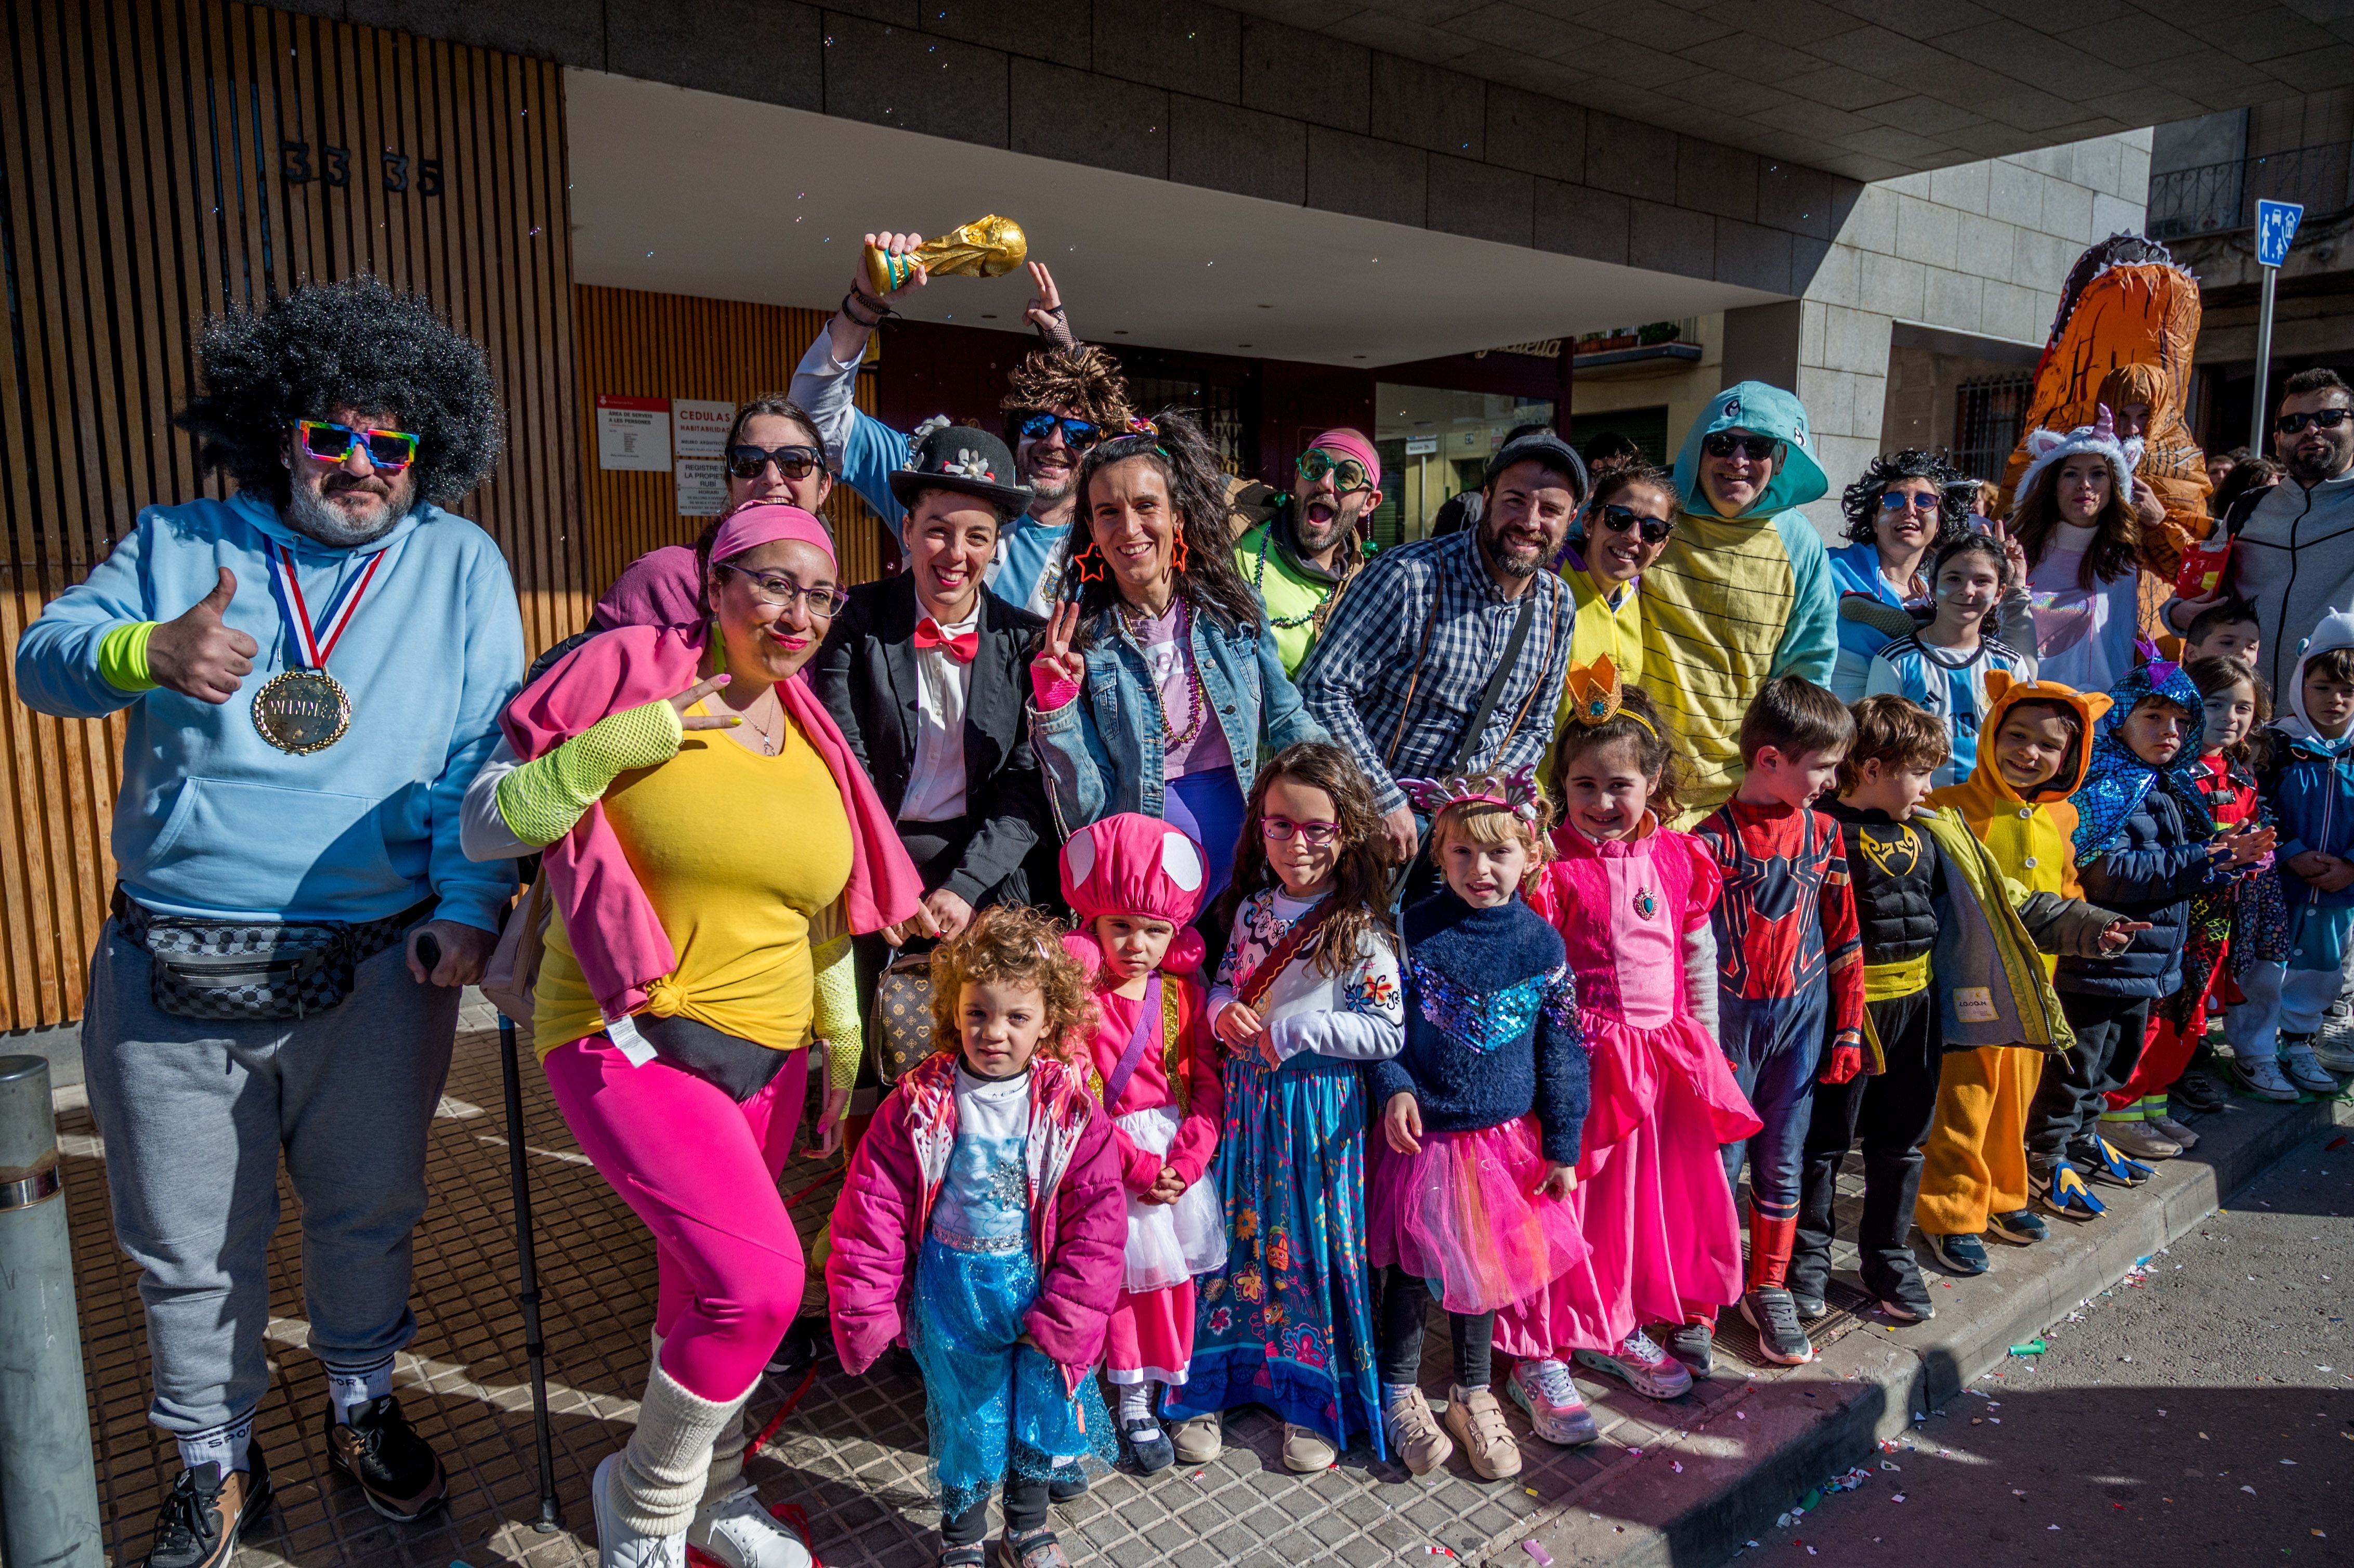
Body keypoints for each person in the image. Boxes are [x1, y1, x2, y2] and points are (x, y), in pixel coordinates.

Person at [12, 277, 519, 1568]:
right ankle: (207, 1455)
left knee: (371, 1206)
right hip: (172, 962)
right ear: (278, 427)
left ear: (429, 452)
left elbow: (483, 753)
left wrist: (468, 913)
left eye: (392, 441)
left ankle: (360, 1402)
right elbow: (44, 657)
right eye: (334, 433)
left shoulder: (459, 559)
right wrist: (145, 652)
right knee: (188, 1245)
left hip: (378, 967)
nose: (362, 464)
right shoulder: (179, 541)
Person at [486, 502, 923, 1568]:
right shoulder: (637, 684)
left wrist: (841, 1039)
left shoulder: (810, 733)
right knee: (761, 1283)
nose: (797, 611)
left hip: (771, 1060)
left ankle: (712, 1494)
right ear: (715, 586)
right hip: (626, 1031)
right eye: (772, 583)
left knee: (701, 1286)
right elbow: (490, 821)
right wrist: (610, 747)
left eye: (818, 592)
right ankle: (640, 1507)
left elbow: (819, 910)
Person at [1796, 698, 2134, 1323]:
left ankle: (1887, 1258)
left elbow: (2006, 900)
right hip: (1839, 1019)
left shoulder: (1936, 831)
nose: (1930, 787)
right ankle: (1806, 1266)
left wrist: (2089, 926)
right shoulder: (1812, 831)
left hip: (1916, 1015)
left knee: (1901, 1145)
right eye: (1920, 772)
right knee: (1822, 1147)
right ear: (1872, 768)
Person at [826, 906, 1124, 1568]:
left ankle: (1028, 1528)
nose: (995, 1032)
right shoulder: (918, 1101)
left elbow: (1097, 1221)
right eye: (978, 1013)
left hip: (1037, 1285)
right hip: (953, 1289)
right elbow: (872, 1205)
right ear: (953, 1012)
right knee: (968, 1418)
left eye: (1017, 1017)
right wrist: (868, 1301)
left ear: (1049, 1020)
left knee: (1036, 1409)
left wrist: (1072, 1308)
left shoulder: (1071, 1108)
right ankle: (961, 1539)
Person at [1503, 665, 1757, 1426]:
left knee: (1630, 1209)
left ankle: (1608, 1323)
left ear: (1654, 783)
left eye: (1620, 785)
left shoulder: (1681, 860)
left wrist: (1705, 1046)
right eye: (1584, 786)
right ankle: (1536, 1351)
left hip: (1662, 1063)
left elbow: (1696, 954)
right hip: (1581, 1067)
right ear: (1562, 788)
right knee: (1565, 1202)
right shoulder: (1546, 865)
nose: (1603, 803)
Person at [1166, 742, 1405, 1472]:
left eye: (1315, 829)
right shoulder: (1249, 911)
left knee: (1310, 1246)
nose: (1295, 844)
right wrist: (1221, 1010)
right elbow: (1227, 983)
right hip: (1248, 1108)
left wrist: (1299, 1028)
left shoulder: (1359, 928)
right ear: (1258, 828)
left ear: (1347, 831)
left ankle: (1311, 1399)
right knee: (1235, 1242)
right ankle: (1213, 1381)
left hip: (1318, 1116)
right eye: (1278, 826)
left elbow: (1387, 1027)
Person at [1368, 773, 1587, 1481]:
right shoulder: (1413, 931)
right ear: (1438, 851)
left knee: (1483, 1273)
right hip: (1421, 1140)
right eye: (1461, 853)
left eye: (1498, 855)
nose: (1479, 870)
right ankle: (1399, 1392)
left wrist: (1562, 1142)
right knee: (1407, 1272)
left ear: (1532, 855)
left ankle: (1472, 1393)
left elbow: (1562, 1048)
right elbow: (1385, 1031)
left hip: (1501, 1145)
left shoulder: (1543, 947)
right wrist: (1395, 1087)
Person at [1028, 410, 1326, 903]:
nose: (1129, 528)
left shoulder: (1233, 612)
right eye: (1108, 512)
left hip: (1252, 863)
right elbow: (1087, 813)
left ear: (1177, 517)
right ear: (1091, 528)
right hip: (1147, 888)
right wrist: (1057, 711)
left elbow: (1288, 718)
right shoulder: (1080, 641)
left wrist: (1350, 796)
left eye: (1147, 506)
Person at [2031, 658, 2273, 1216]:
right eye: (2153, 715)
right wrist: (2203, 857)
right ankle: (2046, 1159)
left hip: (2146, 962)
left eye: (2182, 721)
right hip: (2099, 960)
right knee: (2074, 1071)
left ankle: (2083, 1140)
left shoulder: (2166, 786)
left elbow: (2178, 863)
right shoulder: (2106, 783)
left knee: (2110, 1066)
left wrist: (2227, 856)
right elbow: (2105, 872)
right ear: (2119, 718)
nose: (2170, 731)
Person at [1298, 429, 1584, 880]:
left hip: (1472, 846)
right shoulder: (1408, 577)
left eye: (1550, 511)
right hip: (1375, 834)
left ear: (1573, 519)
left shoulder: (1558, 605)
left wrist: (1489, 803)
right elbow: (1321, 689)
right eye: (1514, 501)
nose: (1530, 522)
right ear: (1486, 498)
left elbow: (1533, 723)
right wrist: (1382, 798)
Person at [790, 238, 1133, 611]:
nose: (1054, 442)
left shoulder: (1114, 542)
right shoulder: (945, 481)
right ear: (1015, 429)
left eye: (1078, 434)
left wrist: (1074, 356)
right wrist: (864, 305)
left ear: (1098, 444)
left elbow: (1148, 455)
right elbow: (815, 423)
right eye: (1038, 423)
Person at [812, 422, 1049, 937]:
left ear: (994, 547)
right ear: (907, 531)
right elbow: (846, 764)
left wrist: (966, 887)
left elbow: (1026, 784)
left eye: (977, 537)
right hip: (871, 854)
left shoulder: (1026, 642)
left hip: (986, 867)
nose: (955, 553)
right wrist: (886, 878)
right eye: (938, 529)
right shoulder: (854, 623)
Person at [1692, 676, 1863, 1368]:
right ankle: (1700, 1298)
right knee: (1718, 1168)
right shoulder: (1710, 841)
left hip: (1802, 1024)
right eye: (1821, 766)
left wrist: (1849, 1027)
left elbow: (1846, 936)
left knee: (1783, 1164)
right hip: (1729, 1032)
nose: (1832, 779)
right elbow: (1687, 954)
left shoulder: (1826, 833)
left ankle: (1767, 1285)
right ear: (1770, 760)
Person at [1056, 814, 1226, 1473]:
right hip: (1101, 1160)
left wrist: (1185, 1163)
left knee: (1160, 1285)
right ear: (1092, 927)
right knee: (1093, 1283)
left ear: (1174, 934)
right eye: (1120, 926)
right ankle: (1078, 1393)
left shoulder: (1185, 996)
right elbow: (1072, 1088)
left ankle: (1138, 1398)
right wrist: (1132, 1164)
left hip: (1171, 1161)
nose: (1136, 943)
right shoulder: (1077, 997)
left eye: (1154, 930)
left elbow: (1207, 1090)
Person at [1914, 677, 2099, 1266]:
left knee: (2016, 1098)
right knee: (1964, 1100)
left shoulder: (2063, 816)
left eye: (2048, 746)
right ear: (1991, 733)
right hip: (1967, 984)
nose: (2028, 753)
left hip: (2033, 988)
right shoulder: (1948, 808)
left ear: (2068, 757)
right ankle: (1949, 1211)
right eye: (2016, 736)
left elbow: (2067, 888)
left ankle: (2002, 1194)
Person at [1640, 383, 1838, 817]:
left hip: (1738, 798)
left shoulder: (1799, 542)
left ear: (1782, 457)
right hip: (1634, 784)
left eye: (1759, 447)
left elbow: (1807, 670)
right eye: (1723, 443)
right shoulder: (1652, 514)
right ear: (1698, 449)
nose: (1738, 460)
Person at [2101, 656, 2277, 1136]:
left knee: (2189, 1016)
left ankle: (2154, 1101)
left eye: (2244, 707)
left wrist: (2254, 854)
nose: (2230, 717)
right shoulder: (2156, 776)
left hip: (2213, 918)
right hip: (2165, 914)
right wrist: (2215, 855)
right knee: (2152, 1014)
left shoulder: (2241, 775)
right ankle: (2121, 1107)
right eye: (2215, 703)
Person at [2166, 369, 2354, 698]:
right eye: (2294, 423)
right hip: (2245, 718)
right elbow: (2199, 589)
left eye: (2329, 417)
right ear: (2278, 439)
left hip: (2337, 720)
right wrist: (2179, 614)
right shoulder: (2247, 508)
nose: (2311, 429)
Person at [2229, 609, 2354, 1093]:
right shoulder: (2275, 744)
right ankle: (2255, 1051)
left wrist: (2349, 866)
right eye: (2322, 687)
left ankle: (2299, 1041)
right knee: (2265, 971)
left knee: (2319, 971)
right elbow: (2254, 803)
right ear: (2301, 680)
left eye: (2347, 691)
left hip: (2338, 892)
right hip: (2276, 888)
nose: (2335, 700)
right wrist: (2292, 852)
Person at [1864, 533, 2038, 787]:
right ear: (1933, 587)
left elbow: (2027, 740)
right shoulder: (1895, 662)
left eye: (1982, 581)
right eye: (1954, 578)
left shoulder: (2009, 664)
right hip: (1923, 812)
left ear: (2000, 593)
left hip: (1991, 808)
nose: (1967, 590)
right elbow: (1879, 748)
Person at [2010, 405, 2147, 696]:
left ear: (2115, 485)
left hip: (2095, 723)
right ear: (2053, 484)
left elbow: (2120, 654)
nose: (2084, 485)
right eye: (2071, 474)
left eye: (2098, 474)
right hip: (2019, 715)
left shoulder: (2123, 563)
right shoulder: (2016, 552)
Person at [1233, 428, 1382, 674]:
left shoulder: (1359, 599)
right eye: (1315, 467)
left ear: (1369, 503)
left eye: (1347, 476)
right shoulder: (1237, 518)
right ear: (1296, 475)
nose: (1325, 482)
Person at [1828, 450, 1968, 701]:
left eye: (1925, 501)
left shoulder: (1939, 593)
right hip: (1833, 718)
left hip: (1907, 724)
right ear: (1873, 521)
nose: (1909, 510)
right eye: (1894, 500)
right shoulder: (1830, 567)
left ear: (1940, 523)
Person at [1555, 457, 1677, 688]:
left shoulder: (1635, 596)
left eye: (1653, 529)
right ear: (1589, 523)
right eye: (1619, 518)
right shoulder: (1550, 583)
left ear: (1661, 546)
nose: (1633, 535)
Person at [2180, 598, 2263, 667]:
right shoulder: (2175, 685)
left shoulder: (2256, 686)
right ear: (2192, 653)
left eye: (2251, 648)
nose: (2242, 652)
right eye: (2227, 643)